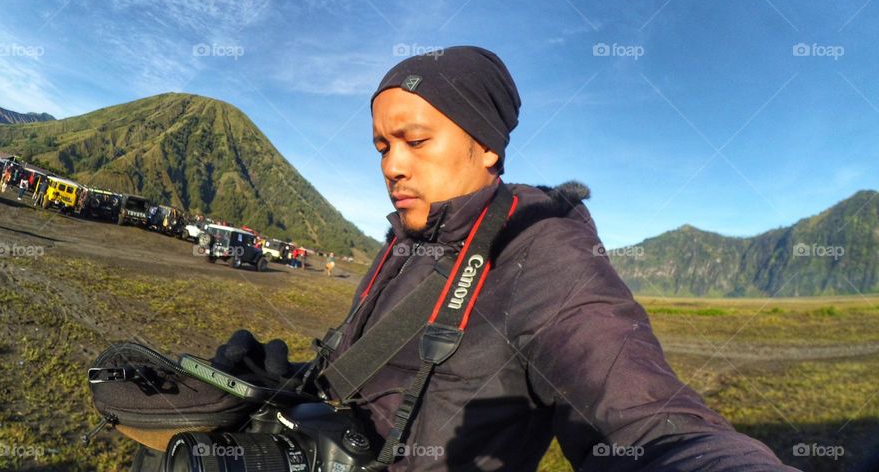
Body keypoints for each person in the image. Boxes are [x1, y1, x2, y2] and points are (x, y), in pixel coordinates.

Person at [210, 46, 799, 472]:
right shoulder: (407, 239)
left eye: (416, 142)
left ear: (486, 144)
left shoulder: (542, 249)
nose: (392, 166)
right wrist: (285, 388)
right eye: (382, 146)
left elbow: (647, 420)